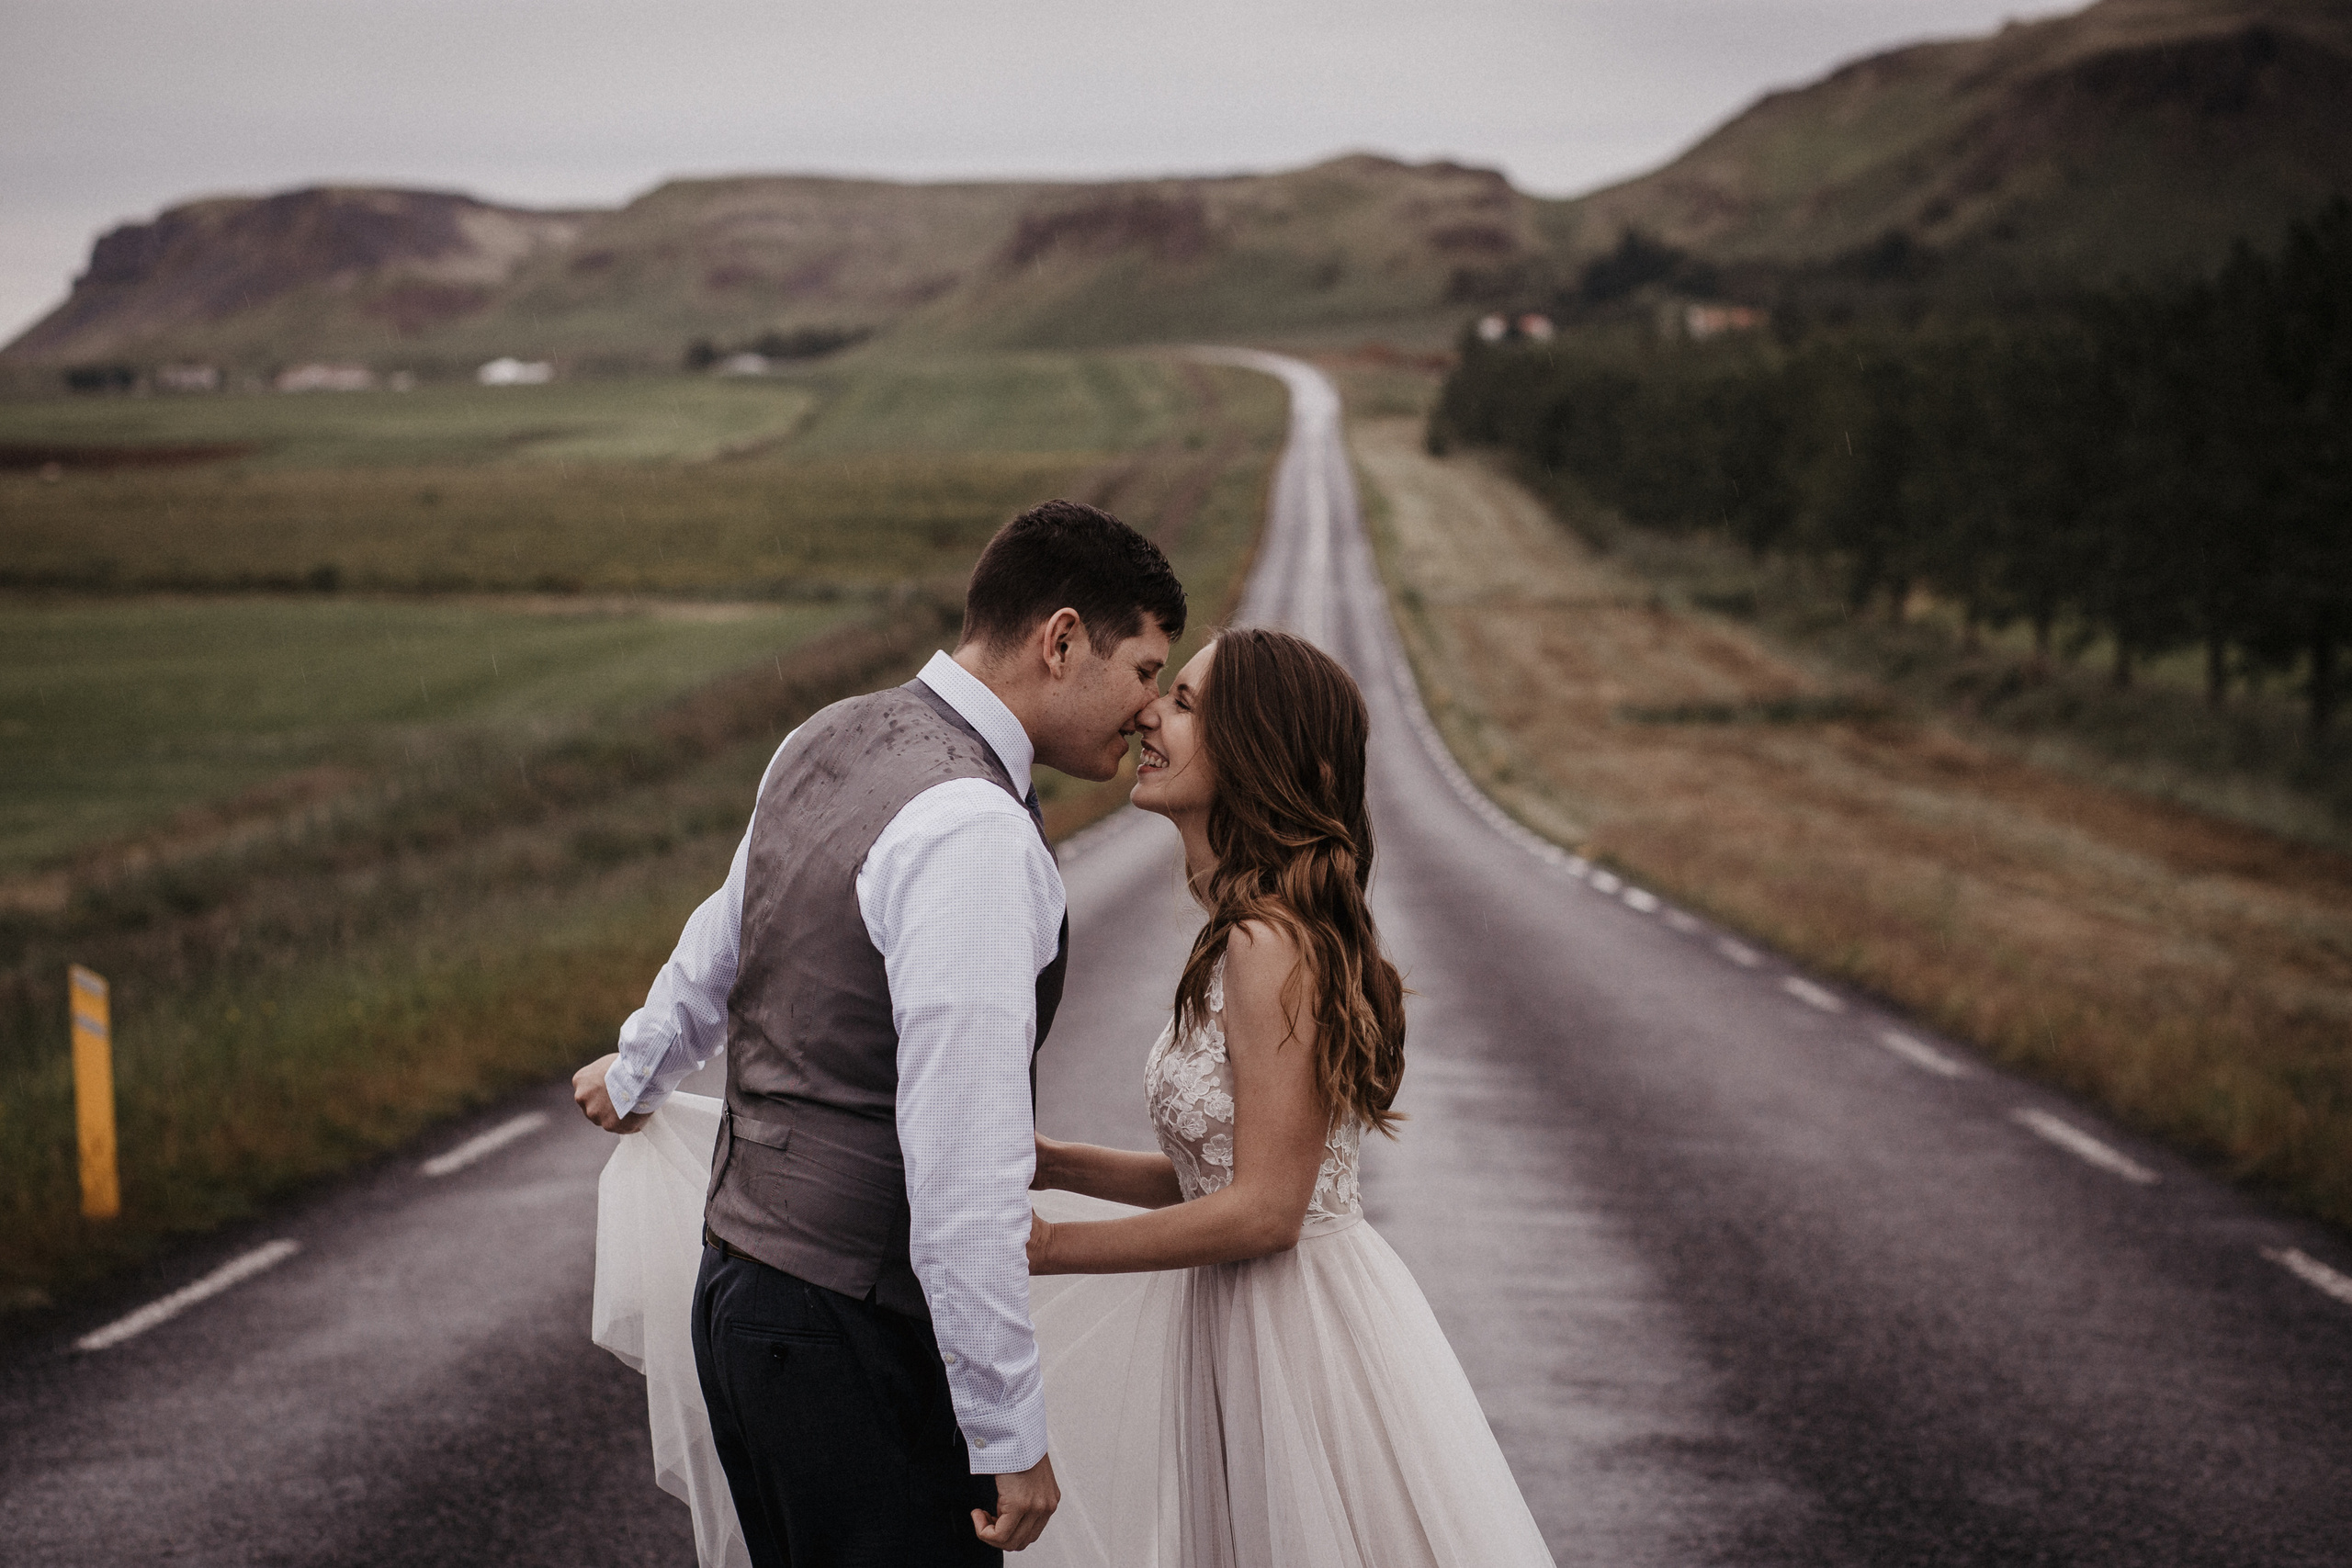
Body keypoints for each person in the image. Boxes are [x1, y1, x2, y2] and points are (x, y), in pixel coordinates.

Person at [575, 498, 1185, 1566]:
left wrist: (638, 1069)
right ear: (1061, 640)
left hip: (738, 1297)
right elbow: (958, 1164)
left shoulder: (827, 734)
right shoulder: (976, 833)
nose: (1146, 710)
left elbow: (726, 932)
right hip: (851, 1337)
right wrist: (1010, 1435)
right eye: (1143, 670)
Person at [1015, 626, 1556, 1567]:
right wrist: (1057, 1164)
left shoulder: (1268, 944)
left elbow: (1266, 1210)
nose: (1149, 714)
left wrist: (1049, 1245)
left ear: (1254, 755)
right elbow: (1216, 1175)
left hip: (1295, 1334)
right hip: (1242, 1320)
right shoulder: (1246, 931)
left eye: (1183, 704)